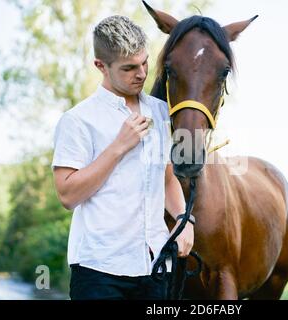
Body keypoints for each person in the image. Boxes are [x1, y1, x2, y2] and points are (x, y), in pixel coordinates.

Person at [51, 15, 194, 300]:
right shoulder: (78, 120)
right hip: (99, 271)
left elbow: (166, 179)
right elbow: (67, 195)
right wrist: (118, 147)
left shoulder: (160, 112)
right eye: (129, 68)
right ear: (100, 66)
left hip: (155, 265)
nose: (141, 74)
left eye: (144, 63)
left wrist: (183, 220)